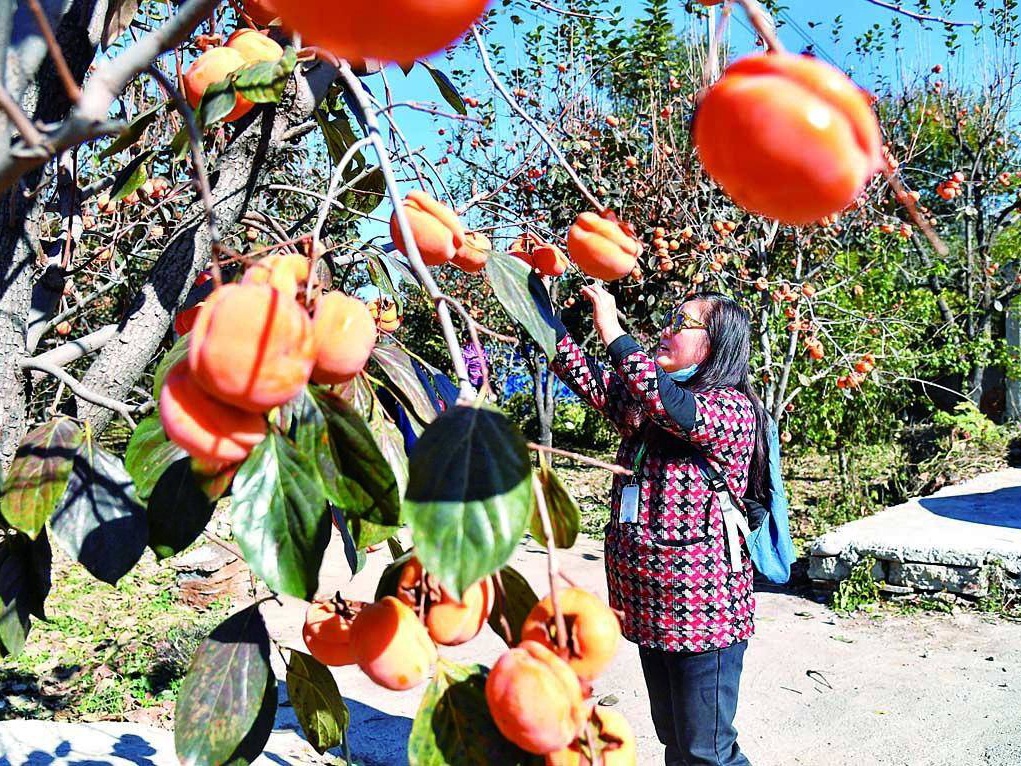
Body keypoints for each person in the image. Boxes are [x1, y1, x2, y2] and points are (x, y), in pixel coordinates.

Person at [540, 280, 770, 766]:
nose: (665, 331)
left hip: (704, 615)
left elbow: (668, 403)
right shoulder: (653, 407)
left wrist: (613, 330)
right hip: (651, 607)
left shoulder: (729, 409)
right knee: (675, 739)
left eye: (681, 324)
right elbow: (588, 378)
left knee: (707, 749)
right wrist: (536, 303)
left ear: (717, 342)